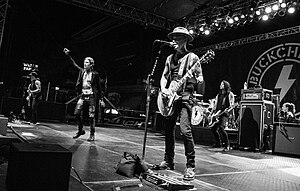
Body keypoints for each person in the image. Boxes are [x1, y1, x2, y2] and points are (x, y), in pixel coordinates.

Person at [153, 27, 204, 181]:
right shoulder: (169, 58)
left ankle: (190, 166)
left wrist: (196, 79)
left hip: (185, 97)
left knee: (185, 130)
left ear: (186, 40)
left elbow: (200, 79)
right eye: (174, 38)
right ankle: (168, 161)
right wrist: (165, 89)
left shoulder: (193, 57)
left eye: (179, 38)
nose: (175, 41)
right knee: (168, 130)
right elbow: (164, 76)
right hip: (170, 97)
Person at [63, 48, 104, 141]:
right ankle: (80, 130)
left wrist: (101, 99)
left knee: (91, 116)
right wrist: (68, 55)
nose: (84, 64)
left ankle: (92, 134)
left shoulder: (95, 74)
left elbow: (99, 88)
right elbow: (74, 64)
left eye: (87, 63)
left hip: (91, 97)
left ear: (91, 64)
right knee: (76, 113)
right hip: (82, 96)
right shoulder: (82, 71)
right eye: (84, 62)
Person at [210, 80, 235, 151]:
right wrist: (212, 114)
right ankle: (218, 143)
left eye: (222, 84)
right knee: (213, 128)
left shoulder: (230, 94)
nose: (220, 85)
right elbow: (215, 106)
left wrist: (229, 112)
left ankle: (227, 145)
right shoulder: (219, 95)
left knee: (221, 127)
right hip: (218, 113)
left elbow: (231, 106)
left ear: (226, 86)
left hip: (225, 114)